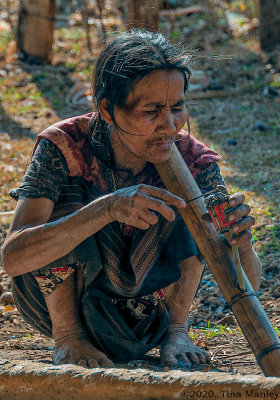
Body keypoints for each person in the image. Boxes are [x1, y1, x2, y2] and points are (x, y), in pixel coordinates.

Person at [2, 29, 262, 369]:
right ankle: (69, 339)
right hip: (70, 306)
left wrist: (242, 243)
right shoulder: (65, 146)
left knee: (194, 210)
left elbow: (248, 287)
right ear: (108, 110)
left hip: (147, 315)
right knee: (68, 197)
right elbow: (14, 258)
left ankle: (177, 331)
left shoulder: (192, 159)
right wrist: (106, 209)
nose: (169, 125)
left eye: (178, 107)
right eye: (151, 111)